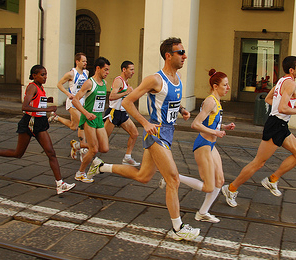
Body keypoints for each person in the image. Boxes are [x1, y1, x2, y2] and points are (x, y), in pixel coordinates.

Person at [85, 37, 201, 241]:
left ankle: (101, 167)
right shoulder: (155, 79)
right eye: (180, 52)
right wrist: (145, 123)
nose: (184, 55)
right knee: (173, 179)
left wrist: (181, 109)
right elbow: (128, 102)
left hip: (168, 133)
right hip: (156, 134)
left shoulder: (178, 77)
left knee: (143, 176)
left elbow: (171, 102)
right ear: (168, 55)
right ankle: (178, 228)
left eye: (183, 52)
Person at [222, 56, 296, 207]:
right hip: (276, 125)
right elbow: (282, 108)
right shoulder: (290, 84)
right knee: (258, 163)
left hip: (281, 125)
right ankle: (230, 189)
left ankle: (272, 180)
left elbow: (268, 99)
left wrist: (284, 110)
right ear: (292, 70)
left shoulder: (282, 81)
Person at [0, 65, 75, 194]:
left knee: (51, 152)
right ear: (34, 75)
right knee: (18, 153)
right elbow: (25, 107)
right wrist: (46, 109)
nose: (45, 77)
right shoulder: (32, 87)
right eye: (42, 74)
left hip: (40, 123)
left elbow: (35, 102)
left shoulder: (40, 88)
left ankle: (60, 184)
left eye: (46, 74)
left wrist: (47, 101)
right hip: (30, 123)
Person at [159, 69, 235, 223]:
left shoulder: (217, 101)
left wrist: (224, 127)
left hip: (211, 146)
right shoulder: (211, 101)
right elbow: (196, 124)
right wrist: (216, 132)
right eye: (225, 85)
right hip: (203, 145)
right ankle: (172, 178)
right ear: (215, 86)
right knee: (208, 186)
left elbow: (211, 122)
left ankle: (202, 213)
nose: (227, 88)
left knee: (219, 182)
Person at [71, 57, 110, 183]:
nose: (107, 72)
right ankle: (80, 173)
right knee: (94, 149)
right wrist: (86, 114)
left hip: (99, 118)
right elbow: (75, 100)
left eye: (108, 70)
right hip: (89, 119)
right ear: (98, 68)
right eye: (105, 70)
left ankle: (78, 145)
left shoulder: (104, 83)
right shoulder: (89, 83)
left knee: (104, 148)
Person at [51, 53, 89, 161]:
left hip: (82, 102)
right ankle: (82, 149)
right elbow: (59, 84)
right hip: (72, 103)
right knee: (83, 124)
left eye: (86, 61)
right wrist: (68, 94)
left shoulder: (86, 73)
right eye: (83, 61)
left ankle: (56, 118)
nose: (85, 63)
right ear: (77, 62)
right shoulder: (71, 74)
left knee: (73, 126)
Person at [103, 60, 140, 166]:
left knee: (135, 133)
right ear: (124, 69)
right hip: (114, 112)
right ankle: (81, 147)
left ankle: (127, 157)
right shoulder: (118, 81)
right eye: (131, 69)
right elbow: (111, 96)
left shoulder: (126, 82)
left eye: (134, 70)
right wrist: (126, 92)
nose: (133, 72)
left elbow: (125, 98)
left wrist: (130, 94)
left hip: (122, 113)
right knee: (103, 140)